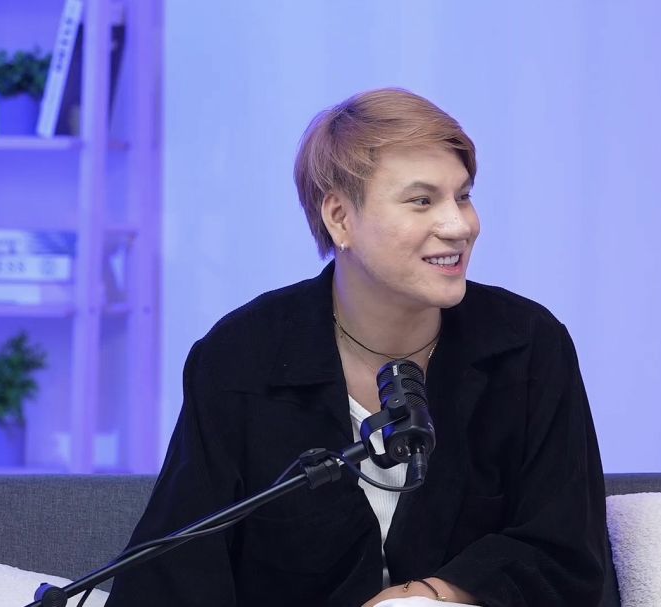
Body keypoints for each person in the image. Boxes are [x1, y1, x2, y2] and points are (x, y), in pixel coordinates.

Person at [105, 88, 608, 607]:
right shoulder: (243, 357)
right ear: (340, 218)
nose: (460, 226)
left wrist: (426, 598)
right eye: (422, 200)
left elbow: (569, 550)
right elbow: (176, 573)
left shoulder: (527, 345)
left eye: (463, 196)